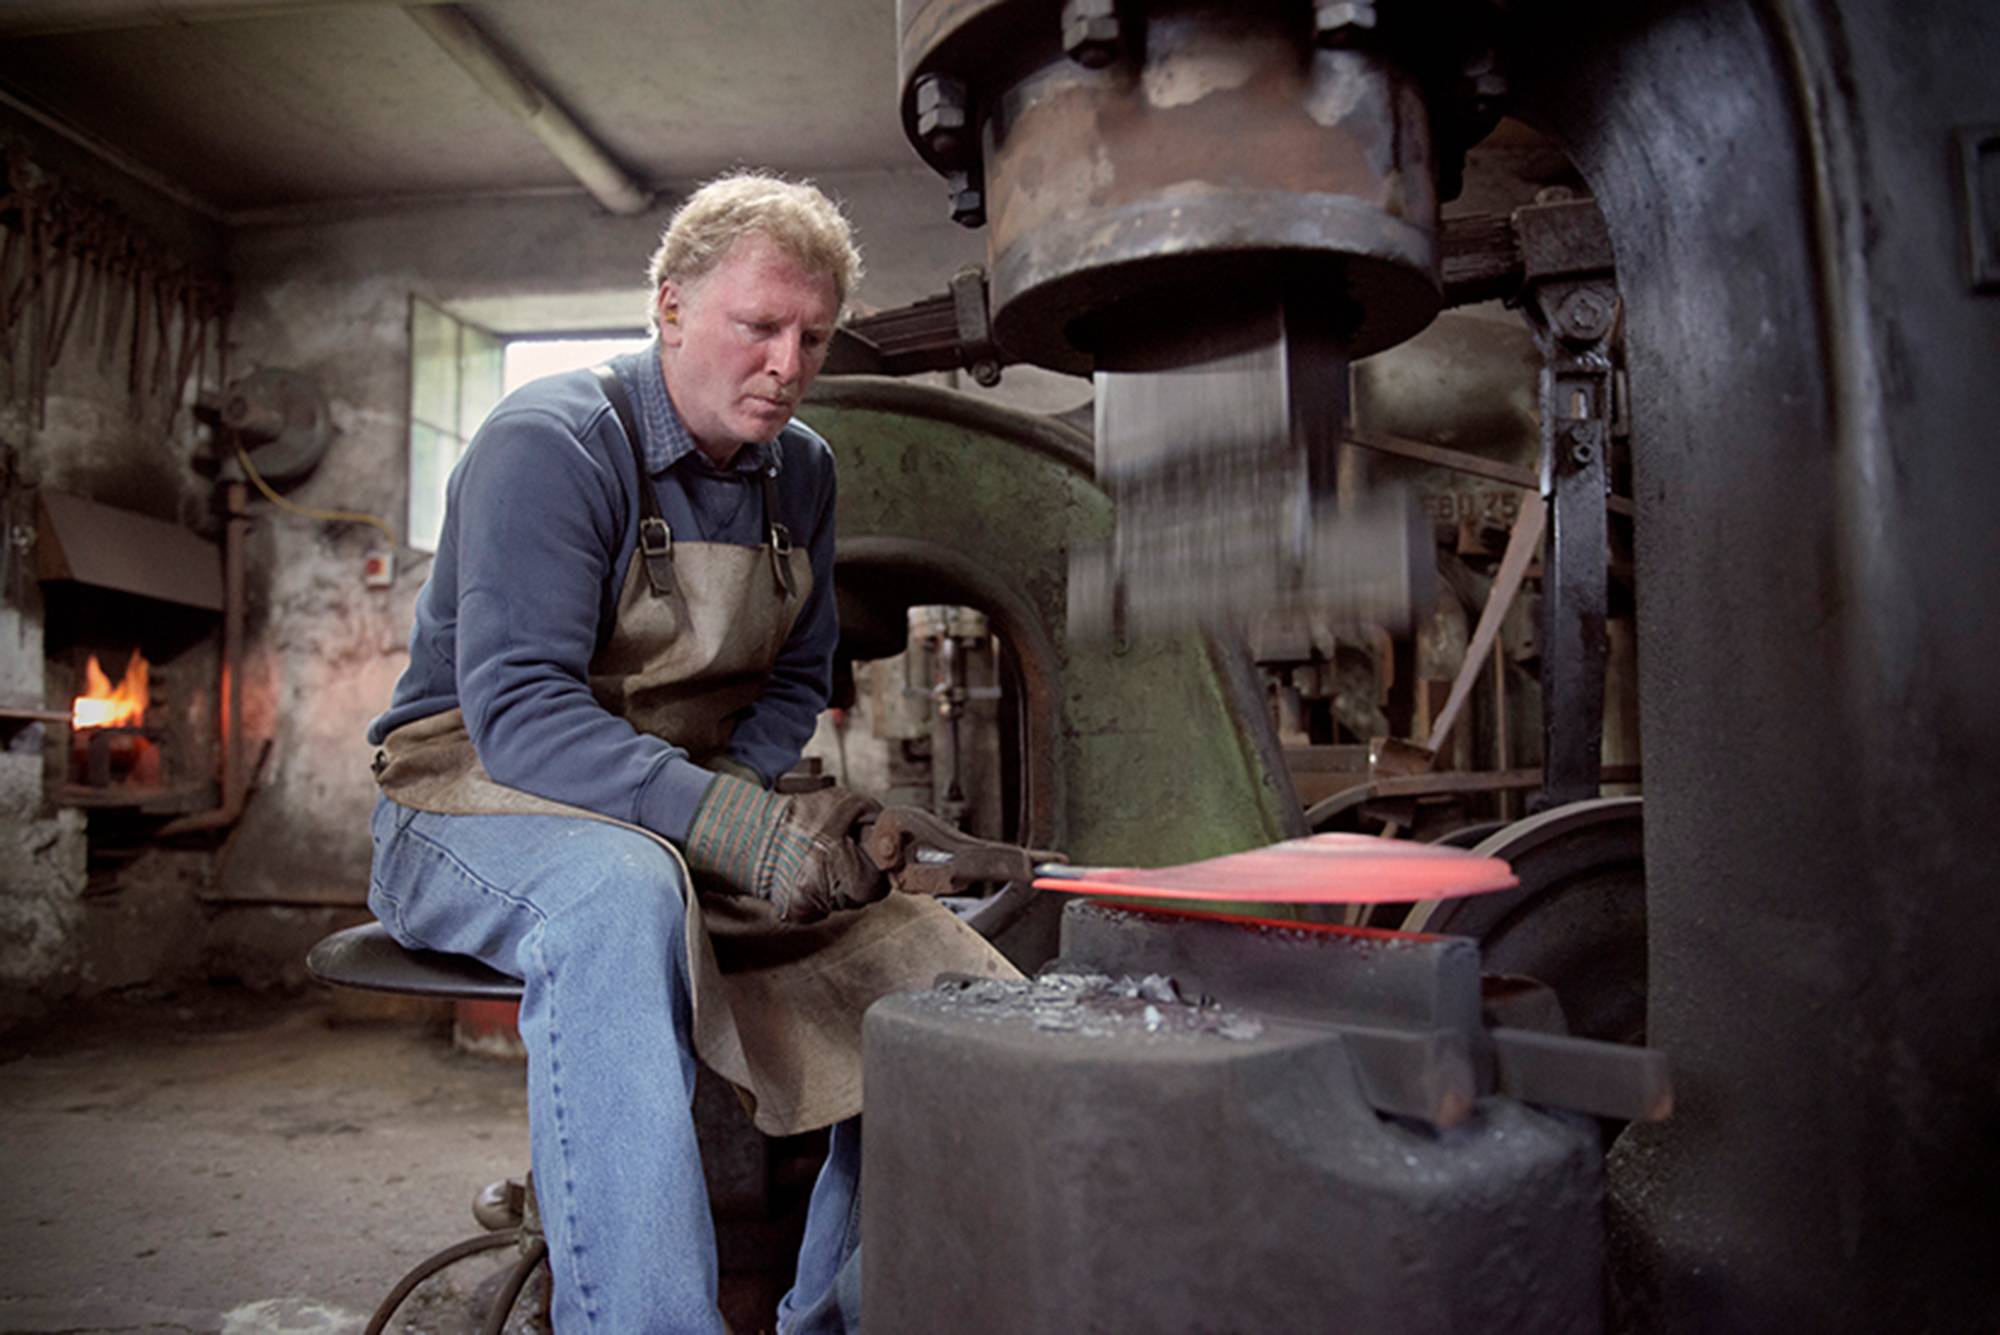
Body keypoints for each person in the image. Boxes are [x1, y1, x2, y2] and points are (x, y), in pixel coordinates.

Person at [364, 172, 1015, 1334]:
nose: (786, 361)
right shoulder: (553, 443)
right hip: (467, 804)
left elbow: (792, 679)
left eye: (810, 336)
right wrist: (728, 829)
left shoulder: (800, 470)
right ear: (669, 308)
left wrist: (749, 802)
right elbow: (516, 711)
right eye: (756, 326)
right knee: (619, 897)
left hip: (662, 819)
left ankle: (845, 1316)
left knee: (931, 959)